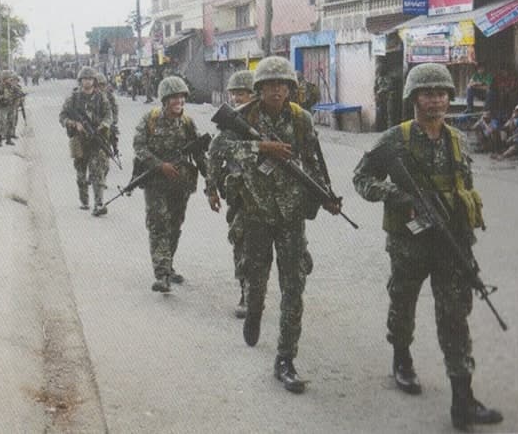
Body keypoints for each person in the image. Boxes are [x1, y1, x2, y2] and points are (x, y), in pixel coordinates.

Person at [353, 62, 503, 431]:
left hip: (450, 243)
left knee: (454, 317)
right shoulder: (395, 139)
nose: (435, 100)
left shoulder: (457, 139)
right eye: (427, 93)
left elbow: (462, 190)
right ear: (413, 97)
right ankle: (402, 358)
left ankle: (462, 399)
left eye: (441, 93)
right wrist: (397, 196)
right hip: (409, 243)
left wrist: (464, 239)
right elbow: (361, 177)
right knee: (403, 303)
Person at [213, 56, 339, 394]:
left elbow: (313, 160)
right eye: (270, 85)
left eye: (283, 85)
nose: (277, 91)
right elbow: (219, 150)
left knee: (294, 287)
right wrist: (261, 147)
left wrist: (326, 194)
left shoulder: (302, 120)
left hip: (291, 215)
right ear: (259, 88)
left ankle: (285, 359)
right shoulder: (243, 117)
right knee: (257, 280)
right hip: (255, 211)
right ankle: (254, 311)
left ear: (291, 89)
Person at [134, 76, 208, 293]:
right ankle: (162, 273)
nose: (179, 101)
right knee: (158, 226)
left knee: (174, 226)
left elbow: (199, 154)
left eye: (181, 97)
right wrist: (159, 164)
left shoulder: (187, 123)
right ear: (165, 100)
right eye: (174, 98)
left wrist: (210, 182)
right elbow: (139, 146)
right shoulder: (150, 119)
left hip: (180, 183)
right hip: (156, 182)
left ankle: (168, 264)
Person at [206, 69, 255, 318]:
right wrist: (211, 190)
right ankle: (246, 294)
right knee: (241, 242)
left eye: (243, 93)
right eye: (234, 94)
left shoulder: (265, 120)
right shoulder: (230, 125)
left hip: (273, 195)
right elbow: (214, 157)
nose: (237, 99)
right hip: (240, 194)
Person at [59, 66, 113, 216]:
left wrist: (104, 125)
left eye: (90, 79)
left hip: (96, 138)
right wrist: (73, 124)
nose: (87, 82)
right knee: (81, 174)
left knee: (97, 172)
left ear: (94, 81)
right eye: (85, 79)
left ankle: (99, 203)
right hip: (79, 140)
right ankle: (84, 200)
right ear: (80, 80)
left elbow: (109, 114)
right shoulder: (73, 98)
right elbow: (62, 117)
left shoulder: (101, 97)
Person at [0, 70, 19, 147]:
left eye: (10, 78)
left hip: (11, 107)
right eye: (8, 78)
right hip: (3, 107)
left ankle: (8, 140)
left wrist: (17, 97)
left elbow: (18, 93)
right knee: (2, 123)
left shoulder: (12, 87)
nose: (10, 80)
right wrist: (2, 97)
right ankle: (0, 141)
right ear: (3, 79)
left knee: (11, 123)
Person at [96, 72, 120, 156]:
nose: (100, 87)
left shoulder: (109, 94)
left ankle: (115, 149)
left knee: (112, 132)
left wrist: (114, 119)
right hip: (96, 119)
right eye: (98, 85)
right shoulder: (93, 95)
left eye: (102, 84)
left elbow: (115, 107)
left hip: (108, 119)